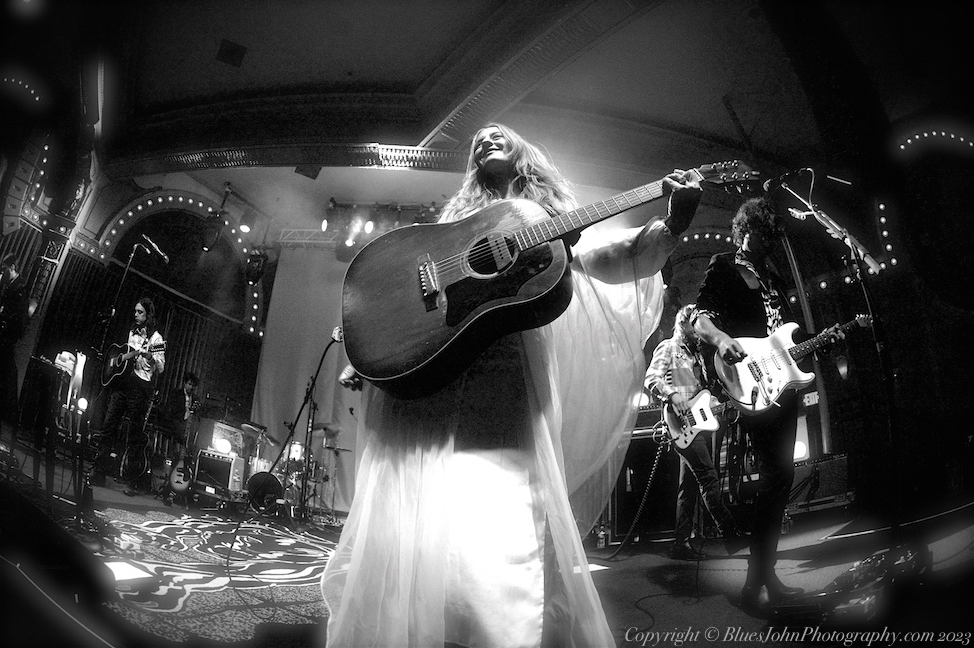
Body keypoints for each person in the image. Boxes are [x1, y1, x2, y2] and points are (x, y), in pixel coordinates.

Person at [321, 123, 702, 647]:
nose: (484, 137)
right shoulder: (457, 223)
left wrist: (670, 225)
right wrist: (377, 356)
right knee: (426, 518)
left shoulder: (549, 221)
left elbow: (615, 256)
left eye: (497, 132)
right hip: (434, 383)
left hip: (506, 377)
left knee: (500, 514)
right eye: (476, 138)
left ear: (524, 149)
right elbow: (410, 300)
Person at [692, 196, 841, 614]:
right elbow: (699, 319)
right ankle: (761, 580)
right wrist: (722, 340)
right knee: (774, 478)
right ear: (745, 230)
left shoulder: (774, 275)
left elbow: (785, 335)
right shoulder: (725, 265)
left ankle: (763, 578)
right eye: (762, 232)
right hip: (752, 384)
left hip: (784, 385)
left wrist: (821, 339)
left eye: (772, 234)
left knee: (779, 479)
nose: (769, 240)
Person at [644, 303, 747, 561]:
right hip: (679, 424)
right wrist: (671, 394)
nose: (700, 330)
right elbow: (651, 378)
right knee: (709, 479)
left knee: (688, 487)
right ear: (683, 324)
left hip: (696, 425)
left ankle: (681, 543)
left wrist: (718, 404)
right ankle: (731, 536)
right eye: (695, 325)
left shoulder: (698, 356)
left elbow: (703, 394)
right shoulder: (668, 347)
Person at [91, 297, 166, 495]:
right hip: (123, 384)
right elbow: (123, 354)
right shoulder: (132, 331)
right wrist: (120, 360)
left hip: (140, 388)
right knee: (109, 425)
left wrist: (150, 356)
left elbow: (161, 366)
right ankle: (99, 470)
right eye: (135, 311)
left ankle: (132, 480)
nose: (136, 315)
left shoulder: (157, 339)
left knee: (134, 434)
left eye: (140, 312)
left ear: (148, 315)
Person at [0, 253, 30, 442]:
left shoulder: (20, 288)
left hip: (6, 338)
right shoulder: (10, 286)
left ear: (12, 267)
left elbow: (20, 319)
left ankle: (9, 415)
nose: (1, 273)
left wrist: (3, 314)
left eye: (3, 270)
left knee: (7, 376)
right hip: (4, 336)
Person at [160, 371, 199, 506]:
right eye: (189, 384)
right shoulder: (176, 394)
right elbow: (172, 413)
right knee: (174, 459)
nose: (191, 388)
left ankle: (179, 492)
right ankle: (168, 489)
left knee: (185, 462)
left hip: (188, 435)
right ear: (184, 383)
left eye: (193, 386)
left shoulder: (196, 399)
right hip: (176, 430)